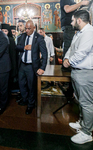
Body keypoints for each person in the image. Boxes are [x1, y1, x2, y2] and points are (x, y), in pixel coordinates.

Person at [63, 10, 93, 145]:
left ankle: (87, 133)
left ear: (79, 20)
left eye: (72, 20)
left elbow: (82, 53)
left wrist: (69, 62)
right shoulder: (79, 33)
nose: (71, 22)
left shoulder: (89, 32)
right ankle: (82, 123)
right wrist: (66, 58)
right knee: (80, 100)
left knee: (86, 103)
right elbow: (71, 48)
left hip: (85, 72)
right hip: (76, 71)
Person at [16, 20, 47, 114]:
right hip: (22, 65)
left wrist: (42, 68)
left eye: (29, 28)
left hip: (31, 66)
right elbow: (17, 47)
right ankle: (25, 99)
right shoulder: (22, 36)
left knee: (31, 86)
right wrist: (24, 48)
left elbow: (45, 54)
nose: (27, 30)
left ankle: (30, 104)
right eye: (26, 28)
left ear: (34, 28)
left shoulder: (39, 38)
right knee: (21, 84)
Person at [60, 0, 89, 71]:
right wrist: (81, 3)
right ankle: (66, 67)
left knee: (72, 46)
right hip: (68, 26)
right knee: (69, 46)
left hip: (72, 28)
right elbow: (67, 9)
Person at [1, 23, 17, 91]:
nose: (4, 33)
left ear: (8, 32)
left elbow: (13, 55)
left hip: (9, 64)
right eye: (2, 31)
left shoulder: (10, 40)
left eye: (6, 31)